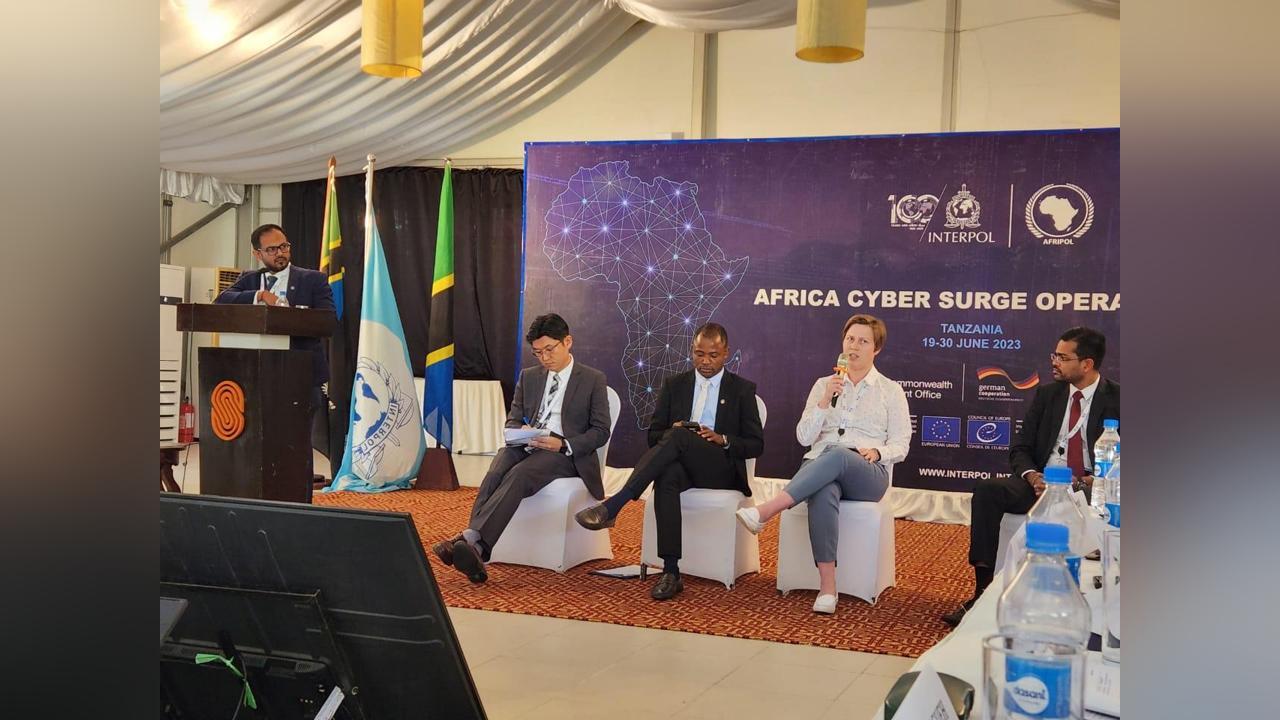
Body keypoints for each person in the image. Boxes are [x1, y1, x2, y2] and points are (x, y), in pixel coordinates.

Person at [941, 326, 1120, 627]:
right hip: (1041, 483)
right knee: (988, 490)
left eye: (1063, 358)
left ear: (1086, 364)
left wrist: (1090, 481)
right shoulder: (1048, 395)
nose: (1055, 362)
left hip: (1090, 487)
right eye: (1054, 355)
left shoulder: (1118, 398)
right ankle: (981, 592)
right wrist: (1033, 476)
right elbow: (1020, 447)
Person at [733, 314, 911, 614]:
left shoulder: (890, 390)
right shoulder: (823, 385)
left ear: (876, 349)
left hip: (866, 473)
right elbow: (804, 437)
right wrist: (825, 400)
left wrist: (878, 452)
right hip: (820, 465)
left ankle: (767, 510)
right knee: (824, 489)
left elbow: (901, 444)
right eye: (850, 339)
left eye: (863, 341)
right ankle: (828, 588)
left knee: (839, 453)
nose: (854, 346)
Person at [575, 323, 764, 600]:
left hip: (720, 468)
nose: (705, 361)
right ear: (691, 351)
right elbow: (654, 436)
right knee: (667, 473)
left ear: (726, 353)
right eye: (699, 354)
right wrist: (673, 431)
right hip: (683, 465)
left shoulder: (742, 390)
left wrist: (722, 438)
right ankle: (671, 572)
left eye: (713, 355)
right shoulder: (675, 385)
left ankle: (615, 505)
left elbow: (756, 445)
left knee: (679, 436)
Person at [432, 313, 611, 584]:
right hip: (528, 444)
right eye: (538, 352)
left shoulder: (592, 379)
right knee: (498, 465)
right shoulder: (529, 377)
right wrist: (521, 432)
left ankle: (471, 541)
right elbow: (513, 420)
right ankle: (474, 543)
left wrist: (564, 444)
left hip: (564, 454)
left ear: (567, 342)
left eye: (549, 350)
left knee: (521, 474)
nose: (544, 358)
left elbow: (601, 431)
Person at [215, 224, 335, 462]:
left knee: (296, 442)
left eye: (284, 246)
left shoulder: (313, 279)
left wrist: (292, 316)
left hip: (300, 372)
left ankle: (299, 486)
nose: (280, 253)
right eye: (272, 249)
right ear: (257, 253)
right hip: (254, 374)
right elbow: (221, 301)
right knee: (259, 440)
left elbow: (328, 320)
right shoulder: (250, 279)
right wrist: (259, 296)